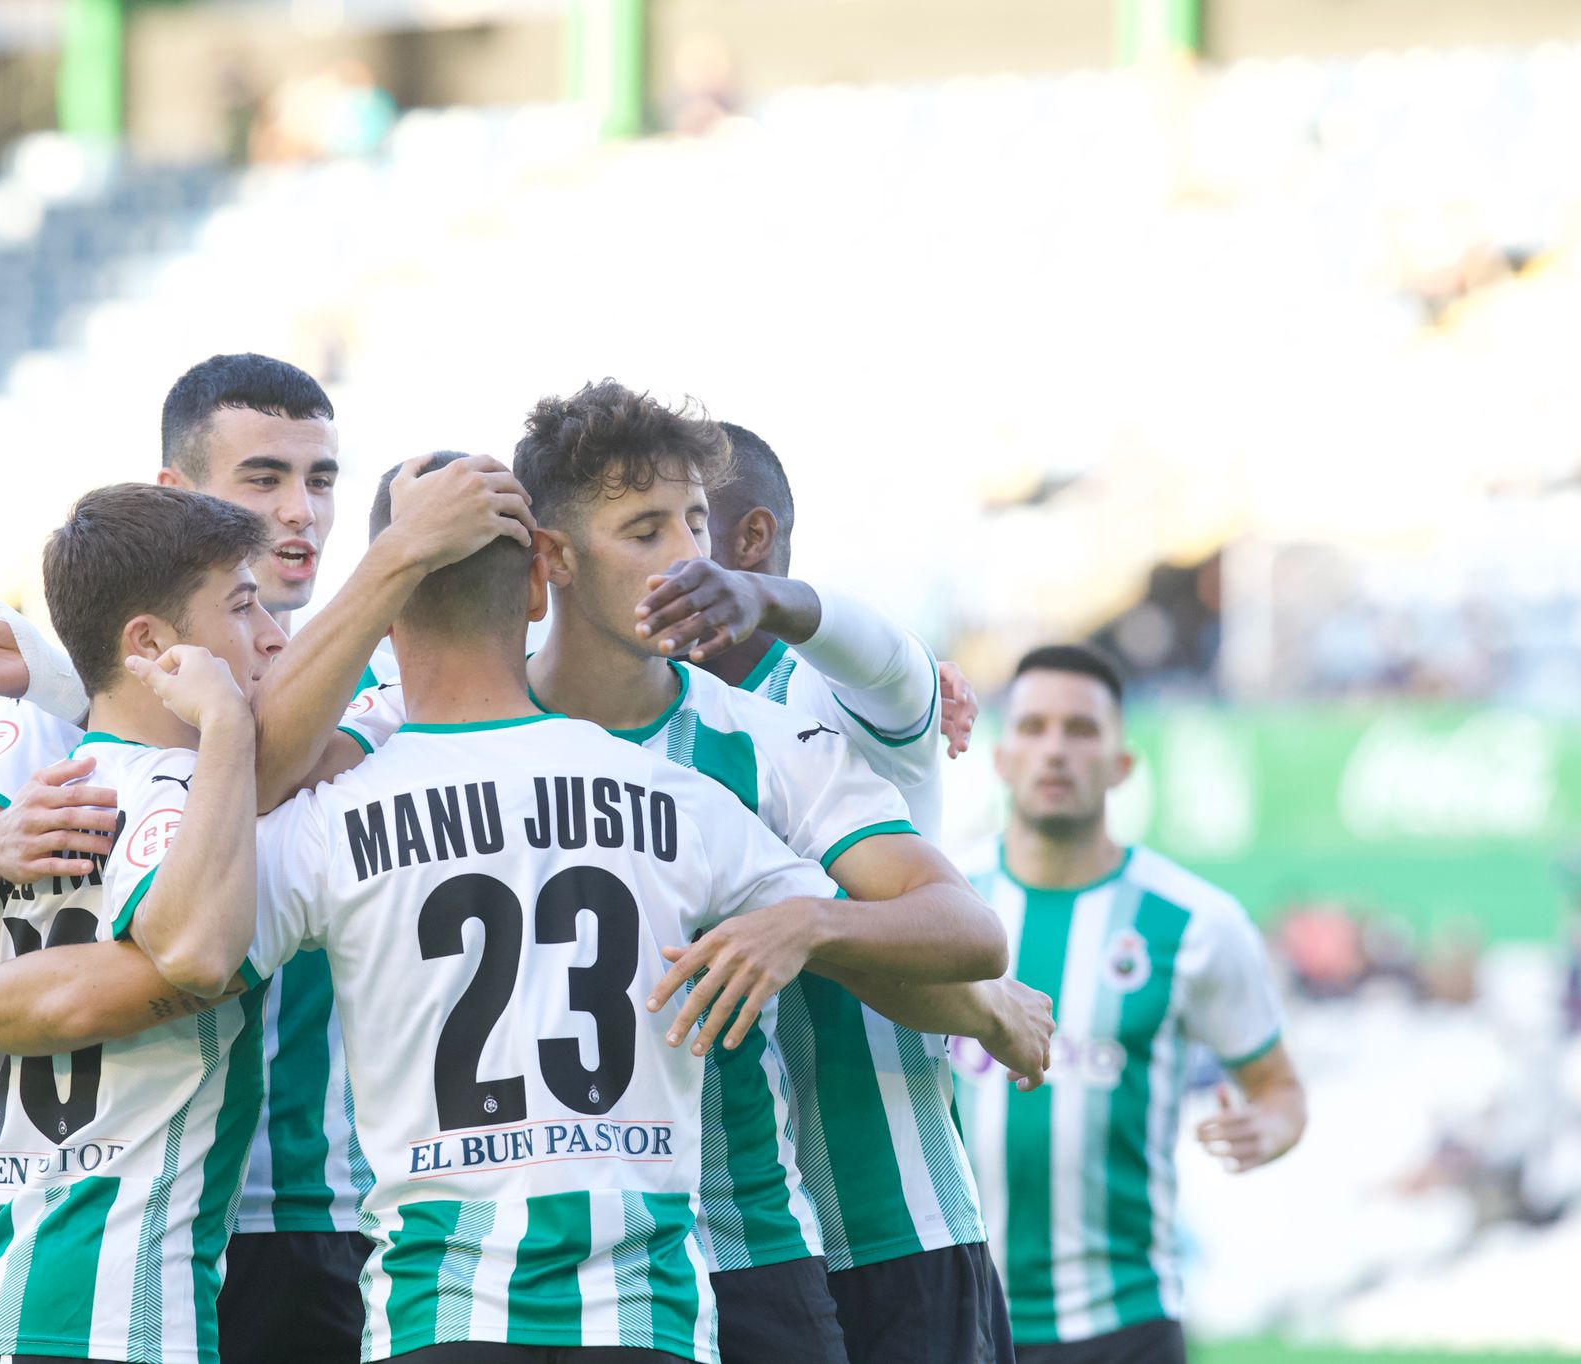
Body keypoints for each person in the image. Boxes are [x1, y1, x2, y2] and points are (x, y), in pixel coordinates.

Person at [301, 392, 1047, 1364]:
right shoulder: (430, 713)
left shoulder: (763, 740)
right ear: (553, 561)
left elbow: (960, 921)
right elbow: (274, 773)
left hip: (741, 1250)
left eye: (695, 521)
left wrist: (809, 926)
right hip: (493, 1272)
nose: (686, 554)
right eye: (645, 528)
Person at [0, 352, 535, 1364]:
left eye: (321, 480)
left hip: (309, 1201)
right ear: (181, 500)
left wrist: (78, 681)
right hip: (137, 1223)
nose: (300, 512)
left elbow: (253, 768)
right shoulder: (88, 713)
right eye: (264, 478)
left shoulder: (372, 673)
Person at [0, 483, 274, 1363]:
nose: (273, 635)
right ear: (150, 644)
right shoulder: (200, 812)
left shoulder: (44, 799)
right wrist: (230, 729)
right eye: (244, 608)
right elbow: (194, 959)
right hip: (136, 1324)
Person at [953, 644, 1308, 1364]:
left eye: (1081, 731)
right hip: (958, 1317)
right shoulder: (943, 904)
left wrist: (1265, 1130)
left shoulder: (1195, 923)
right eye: (1034, 727)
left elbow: (1279, 1089)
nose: (1056, 750)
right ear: (1000, 755)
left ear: (1122, 764)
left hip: (1124, 1326)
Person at [631, 420, 968, 843]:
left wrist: (759, 596)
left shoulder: (835, 693)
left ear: (752, 538)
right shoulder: (628, 709)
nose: (670, 552)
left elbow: (893, 665)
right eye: (644, 532)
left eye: (695, 523)